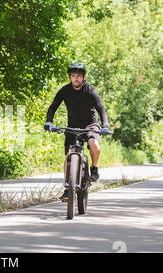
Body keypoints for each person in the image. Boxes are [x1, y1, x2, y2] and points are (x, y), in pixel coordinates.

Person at [44, 62, 111, 200]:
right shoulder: (64, 91)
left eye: (79, 76)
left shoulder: (90, 90)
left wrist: (105, 125)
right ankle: (68, 188)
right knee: (69, 155)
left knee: (94, 144)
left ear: (84, 77)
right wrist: (49, 121)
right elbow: (53, 107)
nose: (76, 79)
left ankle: (94, 168)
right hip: (72, 126)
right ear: (70, 77)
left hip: (90, 125)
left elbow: (101, 108)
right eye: (73, 76)